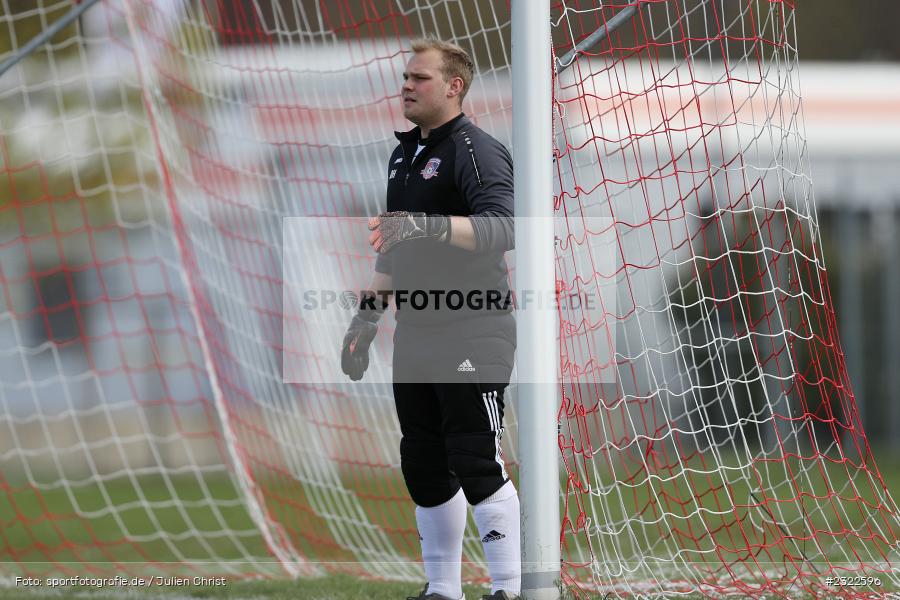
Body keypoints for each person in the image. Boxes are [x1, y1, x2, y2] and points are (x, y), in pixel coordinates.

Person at [340, 38, 520, 600]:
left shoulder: (477, 150)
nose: (406, 85)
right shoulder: (403, 156)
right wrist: (365, 320)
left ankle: (508, 588)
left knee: (474, 457)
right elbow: (393, 250)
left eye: (419, 78)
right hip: (416, 332)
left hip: (474, 328)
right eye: (406, 77)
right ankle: (443, 589)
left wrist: (428, 226)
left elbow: (503, 228)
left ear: (453, 86)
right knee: (423, 463)